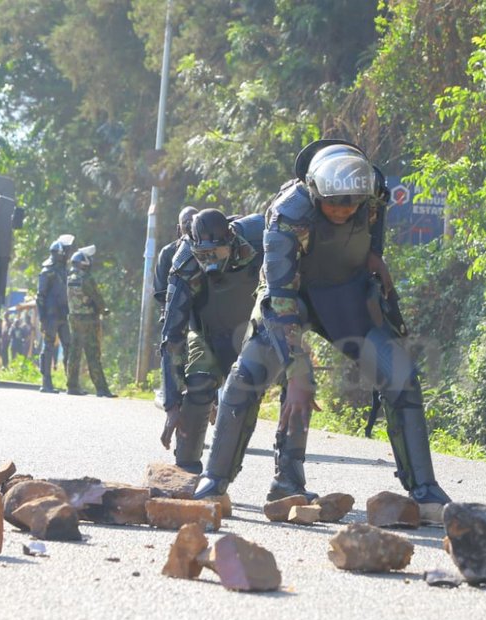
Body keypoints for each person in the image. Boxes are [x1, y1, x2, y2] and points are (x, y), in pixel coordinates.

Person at [192, 139, 450, 510]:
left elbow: (374, 219)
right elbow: (280, 299)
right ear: (313, 191)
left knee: (401, 377)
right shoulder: (286, 215)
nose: (345, 210)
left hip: (345, 291)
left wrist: (374, 255)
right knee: (246, 378)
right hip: (289, 295)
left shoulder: (371, 189)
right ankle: (216, 480)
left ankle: (424, 490)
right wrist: (297, 371)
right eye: (334, 203)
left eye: (352, 203)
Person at [158, 209, 265, 473]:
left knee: (246, 392)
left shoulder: (259, 237)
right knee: (200, 381)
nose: (210, 261)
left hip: (253, 329)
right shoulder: (183, 266)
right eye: (203, 255)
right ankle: (186, 467)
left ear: (230, 239)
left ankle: (280, 475)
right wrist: (172, 404)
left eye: (216, 253)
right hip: (205, 332)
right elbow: (172, 336)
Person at [66, 245, 116, 397]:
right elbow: (97, 298)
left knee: (74, 353)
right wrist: (103, 310)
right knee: (93, 354)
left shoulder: (70, 278)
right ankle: (101, 389)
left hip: (74, 318)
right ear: (84, 262)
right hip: (89, 320)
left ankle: (72, 386)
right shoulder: (86, 278)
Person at [37, 234, 75, 393]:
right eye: (64, 251)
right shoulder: (47, 271)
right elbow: (40, 297)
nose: (67, 254)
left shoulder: (63, 271)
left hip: (63, 315)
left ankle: (71, 384)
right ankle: (46, 383)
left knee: (69, 346)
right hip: (51, 317)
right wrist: (42, 319)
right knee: (48, 347)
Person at [154, 206, 198, 325]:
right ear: (179, 229)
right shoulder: (168, 253)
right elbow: (160, 289)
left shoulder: (212, 247)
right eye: (185, 222)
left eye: (194, 221)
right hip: (178, 308)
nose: (190, 225)